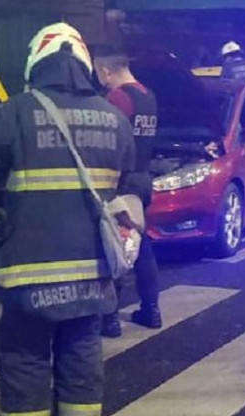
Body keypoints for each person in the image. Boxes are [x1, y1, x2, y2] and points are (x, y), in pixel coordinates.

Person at [0, 23, 136, 415]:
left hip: (30, 273)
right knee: (82, 356)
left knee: (25, 360)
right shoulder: (114, 118)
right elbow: (130, 180)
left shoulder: (16, 113)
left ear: (36, 64)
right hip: (92, 271)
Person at [94, 47, 163, 337]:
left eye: (99, 74)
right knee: (141, 246)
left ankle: (109, 319)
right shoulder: (148, 96)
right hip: (143, 178)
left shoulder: (118, 98)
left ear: (107, 70)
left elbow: (111, 139)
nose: (100, 80)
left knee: (112, 246)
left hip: (120, 181)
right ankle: (151, 309)